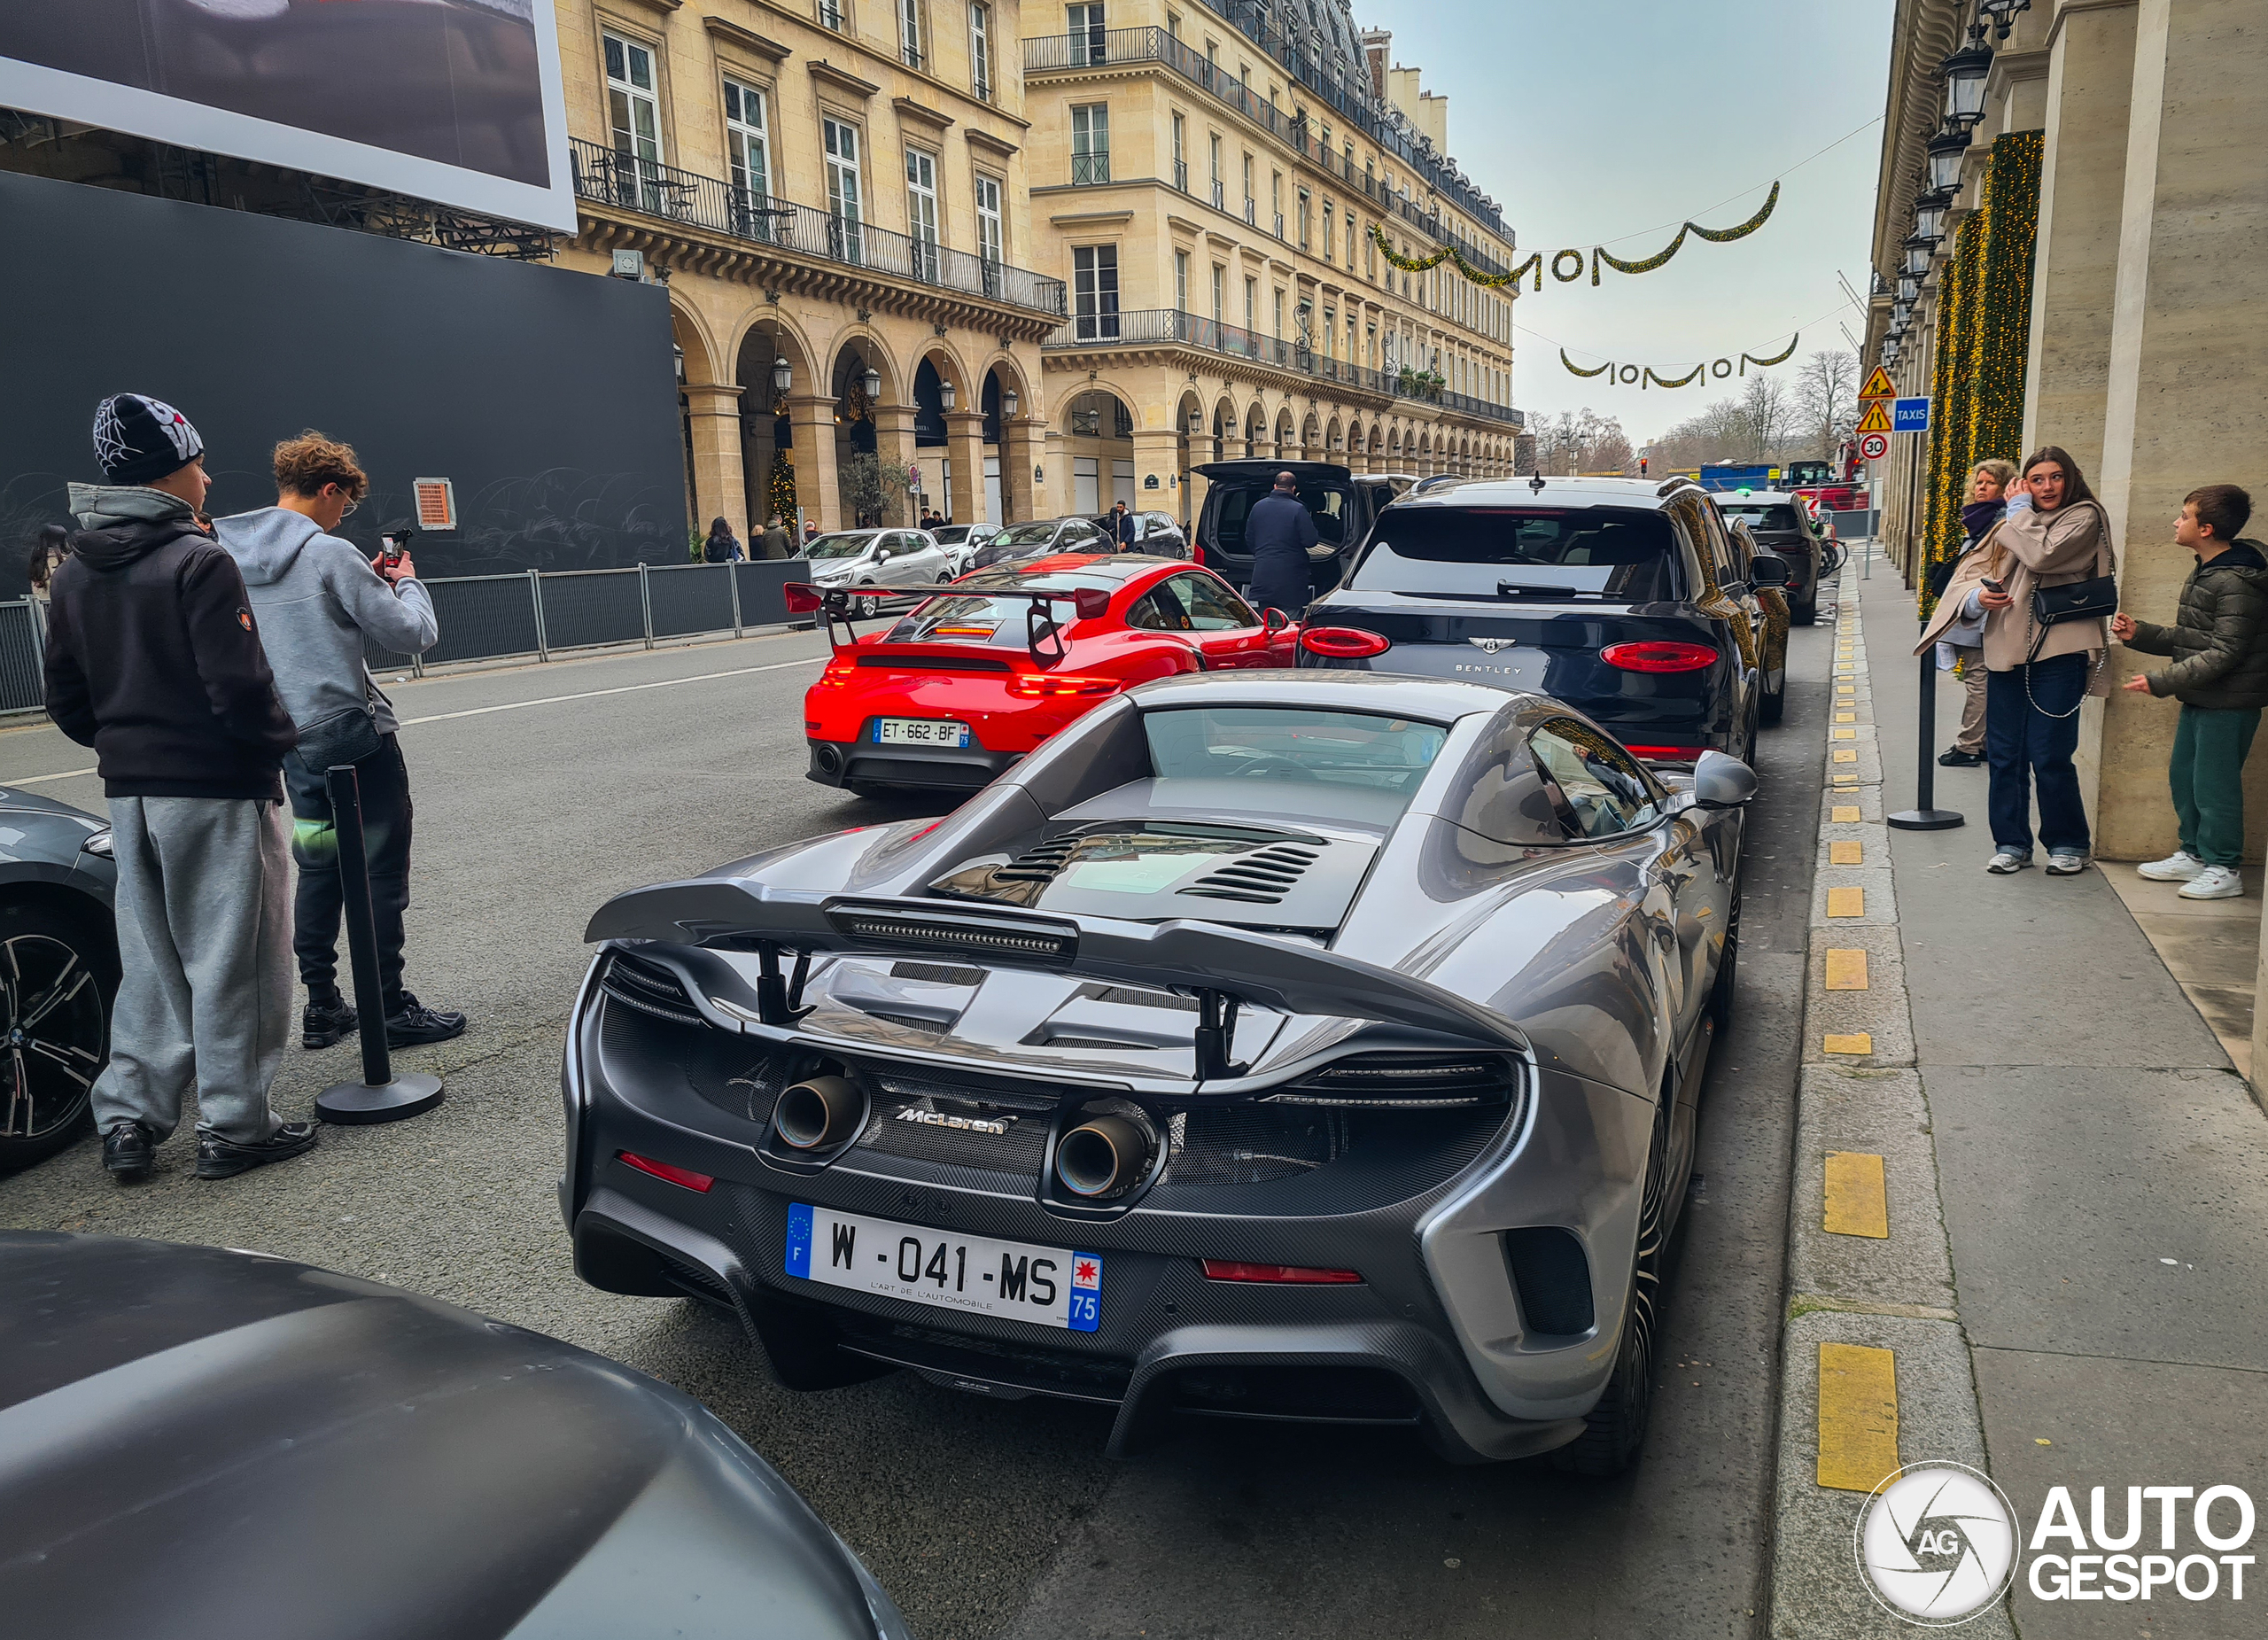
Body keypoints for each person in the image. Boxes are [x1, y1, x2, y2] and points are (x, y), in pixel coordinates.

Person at [43, 394, 313, 1181]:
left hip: (130, 792)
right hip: (216, 789)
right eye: (198, 462)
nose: (206, 477)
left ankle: (129, 1118)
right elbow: (238, 688)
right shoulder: (200, 560)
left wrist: (128, 748)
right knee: (238, 956)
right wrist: (276, 750)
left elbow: (67, 701)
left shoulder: (75, 573)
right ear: (171, 472)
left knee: (152, 958)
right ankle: (237, 1124)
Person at [214, 432, 465, 1053]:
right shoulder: (329, 554)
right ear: (330, 489)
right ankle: (390, 1004)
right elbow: (413, 635)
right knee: (380, 871)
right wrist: (403, 580)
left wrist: (363, 583)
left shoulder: (227, 556)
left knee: (319, 866)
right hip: (356, 744)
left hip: (293, 745)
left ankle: (322, 1005)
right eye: (344, 504)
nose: (343, 515)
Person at [1915, 445, 2115, 876]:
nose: (2047, 487)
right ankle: (2011, 842)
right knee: (2005, 753)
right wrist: (1976, 598)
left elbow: (2042, 554)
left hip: (2060, 650)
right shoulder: (2010, 522)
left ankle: (2068, 842)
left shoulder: (2083, 516)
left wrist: (2018, 509)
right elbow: (1969, 572)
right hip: (2006, 648)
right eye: (2037, 479)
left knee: (2050, 754)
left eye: (2056, 477)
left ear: (2071, 479)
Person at [2115, 485, 2267, 899]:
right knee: (2186, 779)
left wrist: (2163, 681)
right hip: (2203, 698)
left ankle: (2224, 867)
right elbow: (2196, 638)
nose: (2176, 522)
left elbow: (2226, 652)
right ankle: (2195, 854)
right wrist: (2140, 634)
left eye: (2184, 516)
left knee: (2215, 788)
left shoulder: (2237, 580)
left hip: (2230, 702)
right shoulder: (2210, 570)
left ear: (2207, 528)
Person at [1934, 459, 2017, 767]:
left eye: (1990, 483)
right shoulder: (1981, 520)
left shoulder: (2002, 522)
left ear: (2004, 486)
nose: (1981, 488)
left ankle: (1970, 745)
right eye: (1979, 482)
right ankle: (1979, 742)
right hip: (1975, 610)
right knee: (1978, 679)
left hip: (1986, 613)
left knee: (1978, 680)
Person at [1244, 470, 1319, 616]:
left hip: (1263, 574)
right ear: (1293, 488)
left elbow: (1249, 538)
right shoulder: (1298, 509)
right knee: (1289, 624)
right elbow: (1310, 541)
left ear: (1275, 486)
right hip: (1291, 579)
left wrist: (1263, 554)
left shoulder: (1257, 507)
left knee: (1266, 622)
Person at [27, 523, 68, 602]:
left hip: (42, 609)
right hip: (64, 609)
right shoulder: (67, 561)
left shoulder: (37, 562)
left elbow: (36, 591)